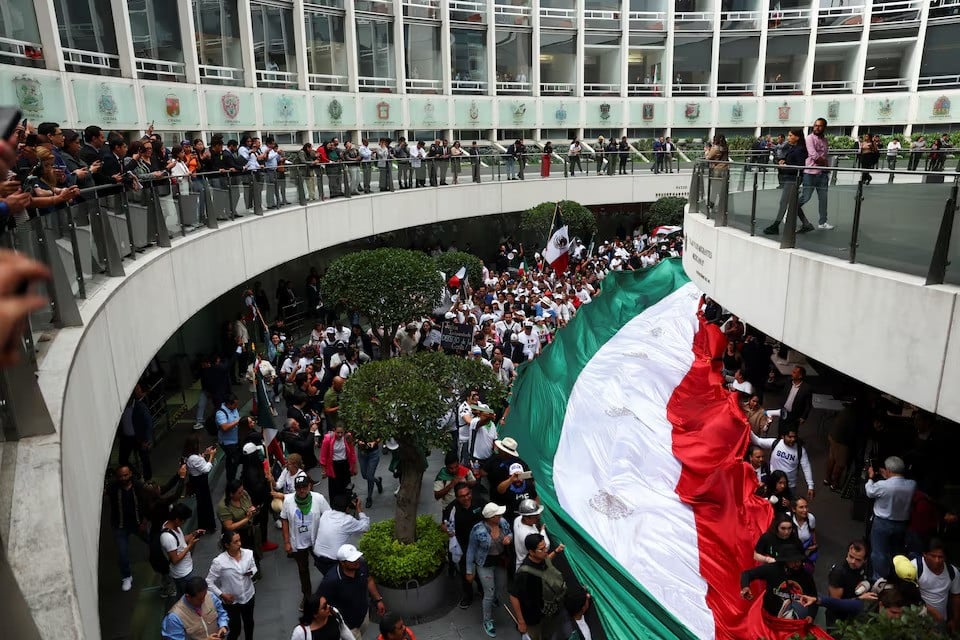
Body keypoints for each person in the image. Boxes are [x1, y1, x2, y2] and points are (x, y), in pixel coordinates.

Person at [314, 544, 387, 640]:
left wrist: (378, 600)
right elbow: (319, 602)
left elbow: (368, 580)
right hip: (348, 626)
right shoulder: (331, 580)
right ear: (342, 563)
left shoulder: (361, 565)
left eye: (357, 557)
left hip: (364, 617)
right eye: (352, 560)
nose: (357, 561)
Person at [465, 502, 513, 638]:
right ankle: (487, 620)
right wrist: (469, 571)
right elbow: (471, 550)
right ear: (491, 518)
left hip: (500, 561)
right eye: (497, 514)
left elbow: (510, 533)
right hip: (484, 563)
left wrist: (509, 538)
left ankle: (494, 600)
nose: (500, 516)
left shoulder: (503, 522)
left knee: (501, 585)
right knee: (489, 593)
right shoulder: (477, 530)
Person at [282, 474, 331, 608]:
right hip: (298, 543)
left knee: (325, 564)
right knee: (303, 570)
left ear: (309, 486)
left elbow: (328, 516)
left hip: (317, 540)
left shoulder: (318, 499)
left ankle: (330, 589)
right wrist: (286, 542)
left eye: (304, 487)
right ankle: (307, 596)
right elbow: (284, 519)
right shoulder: (288, 501)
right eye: (298, 488)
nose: (302, 490)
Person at [865, 455, 916, 580]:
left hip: (882, 523)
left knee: (879, 553)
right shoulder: (912, 485)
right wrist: (888, 477)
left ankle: (879, 579)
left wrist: (871, 478)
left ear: (888, 471)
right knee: (896, 551)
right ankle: (895, 576)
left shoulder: (883, 485)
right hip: (901, 524)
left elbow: (870, 492)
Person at [509, 533, 567, 640]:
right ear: (531, 552)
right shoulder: (524, 573)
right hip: (532, 617)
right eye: (542, 549)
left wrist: (556, 551)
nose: (545, 550)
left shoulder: (541, 558)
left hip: (546, 611)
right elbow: (513, 596)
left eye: (545, 546)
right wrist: (521, 621)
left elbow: (547, 559)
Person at [740, 544, 818, 621]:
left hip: (795, 622)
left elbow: (813, 597)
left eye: (798, 561)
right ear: (785, 561)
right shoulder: (772, 569)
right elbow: (747, 574)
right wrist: (745, 587)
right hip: (770, 619)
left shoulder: (806, 576)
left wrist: (811, 615)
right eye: (793, 561)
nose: (796, 564)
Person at [206, 531, 257, 640]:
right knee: (235, 628)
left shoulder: (248, 553)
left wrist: (251, 572)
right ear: (227, 545)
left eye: (239, 540)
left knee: (249, 623)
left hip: (248, 595)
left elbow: (254, 567)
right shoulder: (219, 561)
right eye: (235, 542)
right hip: (231, 602)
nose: (239, 544)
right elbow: (209, 582)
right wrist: (222, 595)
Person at [106, 465, 149, 592]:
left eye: (126, 475)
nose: (123, 478)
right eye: (120, 476)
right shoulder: (113, 488)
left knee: (151, 540)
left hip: (137, 523)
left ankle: (161, 558)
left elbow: (146, 503)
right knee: (122, 553)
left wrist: (145, 521)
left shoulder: (138, 486)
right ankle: (126, 576)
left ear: (130, 474)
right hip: (120, 525)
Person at [764, 128, 814, 235]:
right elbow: (791, 161)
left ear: (797, 137)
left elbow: (800, 167)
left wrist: (785, 166)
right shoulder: (794, 148)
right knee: (793, 203)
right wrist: (784, 162)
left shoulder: (800, 150)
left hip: (793, 179)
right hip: (790, 177)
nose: (788, 138)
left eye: (791, 135)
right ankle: (806, 224)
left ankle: (776, 225)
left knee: (784, 202)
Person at [443, 482, 485, 609]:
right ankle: (468, 596)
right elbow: (444, 524)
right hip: (463, 545)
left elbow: (489, 516)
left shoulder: (479, 501)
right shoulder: (452, 508)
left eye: (468, 494)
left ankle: (483, 590)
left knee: (482, 569)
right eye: (462, 496)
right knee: (466, 573)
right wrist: (448, 531)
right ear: (456, 497)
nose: (466, 498)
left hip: (480, 543)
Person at [313, 494, 371, 576]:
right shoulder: (347, 520)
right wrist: (358, 508)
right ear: (347, 508)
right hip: (333, 562)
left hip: (318, 559)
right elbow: (365, 527)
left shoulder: (325, 514)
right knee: (361, 565)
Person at [750, 428, 814, 500]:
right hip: (773, 484)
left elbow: (806, 467)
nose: (792, 439)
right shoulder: (775, 443)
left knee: (788, 505)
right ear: (783, 436)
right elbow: (757, 441)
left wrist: (810, 486)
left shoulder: (800, 450)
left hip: (789, 486)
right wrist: (746, 426)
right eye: (790, 437)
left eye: (794, 437)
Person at [161, 576, 230, 640]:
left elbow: (222, 613)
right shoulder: (174, 618)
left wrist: (223, 625)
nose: (203, 601)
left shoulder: (210, 596)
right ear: (188, 596)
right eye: (200, 599)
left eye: (205, 596)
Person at [913, 537, 960, 628]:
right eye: (933, 556)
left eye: (940, 557)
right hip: (918, 620)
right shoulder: (914, 568)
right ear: (925, 554)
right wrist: (930, 610)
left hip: (941, 622)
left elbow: (956, 596)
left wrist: (955, 620)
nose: (937, 560)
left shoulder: (952, 572)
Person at [797, 117, 834, 230]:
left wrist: (825, 165)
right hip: (810, 173)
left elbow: (824, 156)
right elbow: (814, 156)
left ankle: (822, 222)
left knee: (823, 199)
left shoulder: (825, 140)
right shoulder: (809, 138)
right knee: (806, 197)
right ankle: (789, 211)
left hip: (822, 174)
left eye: (820, 126)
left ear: (824, 127)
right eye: (815, 125)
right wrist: (825, 162)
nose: (817, 127)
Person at [161, 502, 205, 597]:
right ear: (177, 519)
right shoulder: (168, 537)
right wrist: (189, 546)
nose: (183, 523)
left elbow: (180, 541)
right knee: (189, 597)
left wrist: (194, 533)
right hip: (183, 574)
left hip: (186, 569)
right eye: (183, 521)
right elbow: (175, 560)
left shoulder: (173, 526)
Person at [824, 540, 870, 628]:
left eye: (858, 560)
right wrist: (858, 599)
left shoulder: (863, 567)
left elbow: (867, 578)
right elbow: (835, 603)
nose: (853, 561)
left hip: (853, 615)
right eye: (851, 556)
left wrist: (865, 584)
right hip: (837, 620)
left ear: (865, 560)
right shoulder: (838, 573)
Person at [183, 434, 218, 532]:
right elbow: (205, 469)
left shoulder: (190, 456)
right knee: (205, 504)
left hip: (197, 481)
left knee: (203, 504)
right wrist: (211, 456)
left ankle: (205, 525)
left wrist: (205, 454)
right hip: (200, 482)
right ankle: (207, 525)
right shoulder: (193, 458)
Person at [320, 423, 358, 502]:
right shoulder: (327, 439)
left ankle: (347, 503)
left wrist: (354, 467)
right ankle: (335, 505)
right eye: (338, 432)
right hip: (333, 466)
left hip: (345, 465)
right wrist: (324, 470)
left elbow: (352, 453)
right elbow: (323, 455)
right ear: (334, 431)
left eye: (342, 432)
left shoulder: (347, 437)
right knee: (334, 487)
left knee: (347, 486)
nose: (340, 435)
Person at [217, 394, 243, 483]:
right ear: (228, 404)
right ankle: (231, 481)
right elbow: (224, 427)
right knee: (233, 461)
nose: (236, 407)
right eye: (235, 405)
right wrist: (237, 421)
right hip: (227, 443)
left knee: (236, 459)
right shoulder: (220, 413)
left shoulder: (234, 409)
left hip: (236, 439)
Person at [355, 433, 384, 508]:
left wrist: (374, 442)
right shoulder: (358, 423)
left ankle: (369, 497)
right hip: (362, 453)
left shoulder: (375, 423)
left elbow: (381, 435)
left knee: (370, 476)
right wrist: (358, 442)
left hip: (373, 453)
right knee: (365, 475)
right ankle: (377, 480)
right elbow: (354, 435)